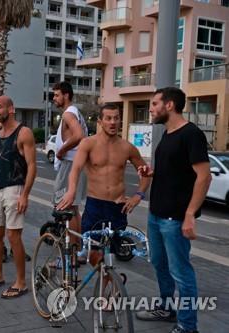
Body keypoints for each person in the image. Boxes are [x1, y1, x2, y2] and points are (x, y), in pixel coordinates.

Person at [135, 87, 211, 333]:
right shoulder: (168, 134)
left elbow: (204, 177)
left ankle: (188, 327)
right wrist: (152, 172)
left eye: (155, 103)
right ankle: (167, 309)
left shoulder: (192, 134)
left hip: (175, 218)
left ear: (169, 105)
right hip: (156, 214)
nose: (151, 108)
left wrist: (189, 215)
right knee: (159, 263)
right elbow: (177, 170)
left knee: (181, 273)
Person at [57, 103, 151, 265]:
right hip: (95, 206)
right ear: (100, 121)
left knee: (111, 256)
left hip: (117, 207)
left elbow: (146, 173)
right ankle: (101, 276)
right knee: (95, 255)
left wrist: (138, 195)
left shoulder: (127, 147)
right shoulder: (88, 143)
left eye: (116, 118)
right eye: (108, 118)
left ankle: (109, 289)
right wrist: (71, 190)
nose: (113, 122)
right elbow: (76, 169)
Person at [0, 95, 36, 298]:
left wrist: (25, 195)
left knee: (13, 236)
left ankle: (21, 282)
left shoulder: (24, 133)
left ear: (11, 109)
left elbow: (32, 166)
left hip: (14, 189)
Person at [52, 81, 88, 248]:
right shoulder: (76, 112)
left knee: (65, 209)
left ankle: (71, 252)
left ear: (66, 95)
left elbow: (79, 135)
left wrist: (61, 151)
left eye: (57, 95)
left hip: (69, 164)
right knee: (73, 210)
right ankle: (77, 249)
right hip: (76, 164)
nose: (54, 98)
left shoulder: (68, 114)